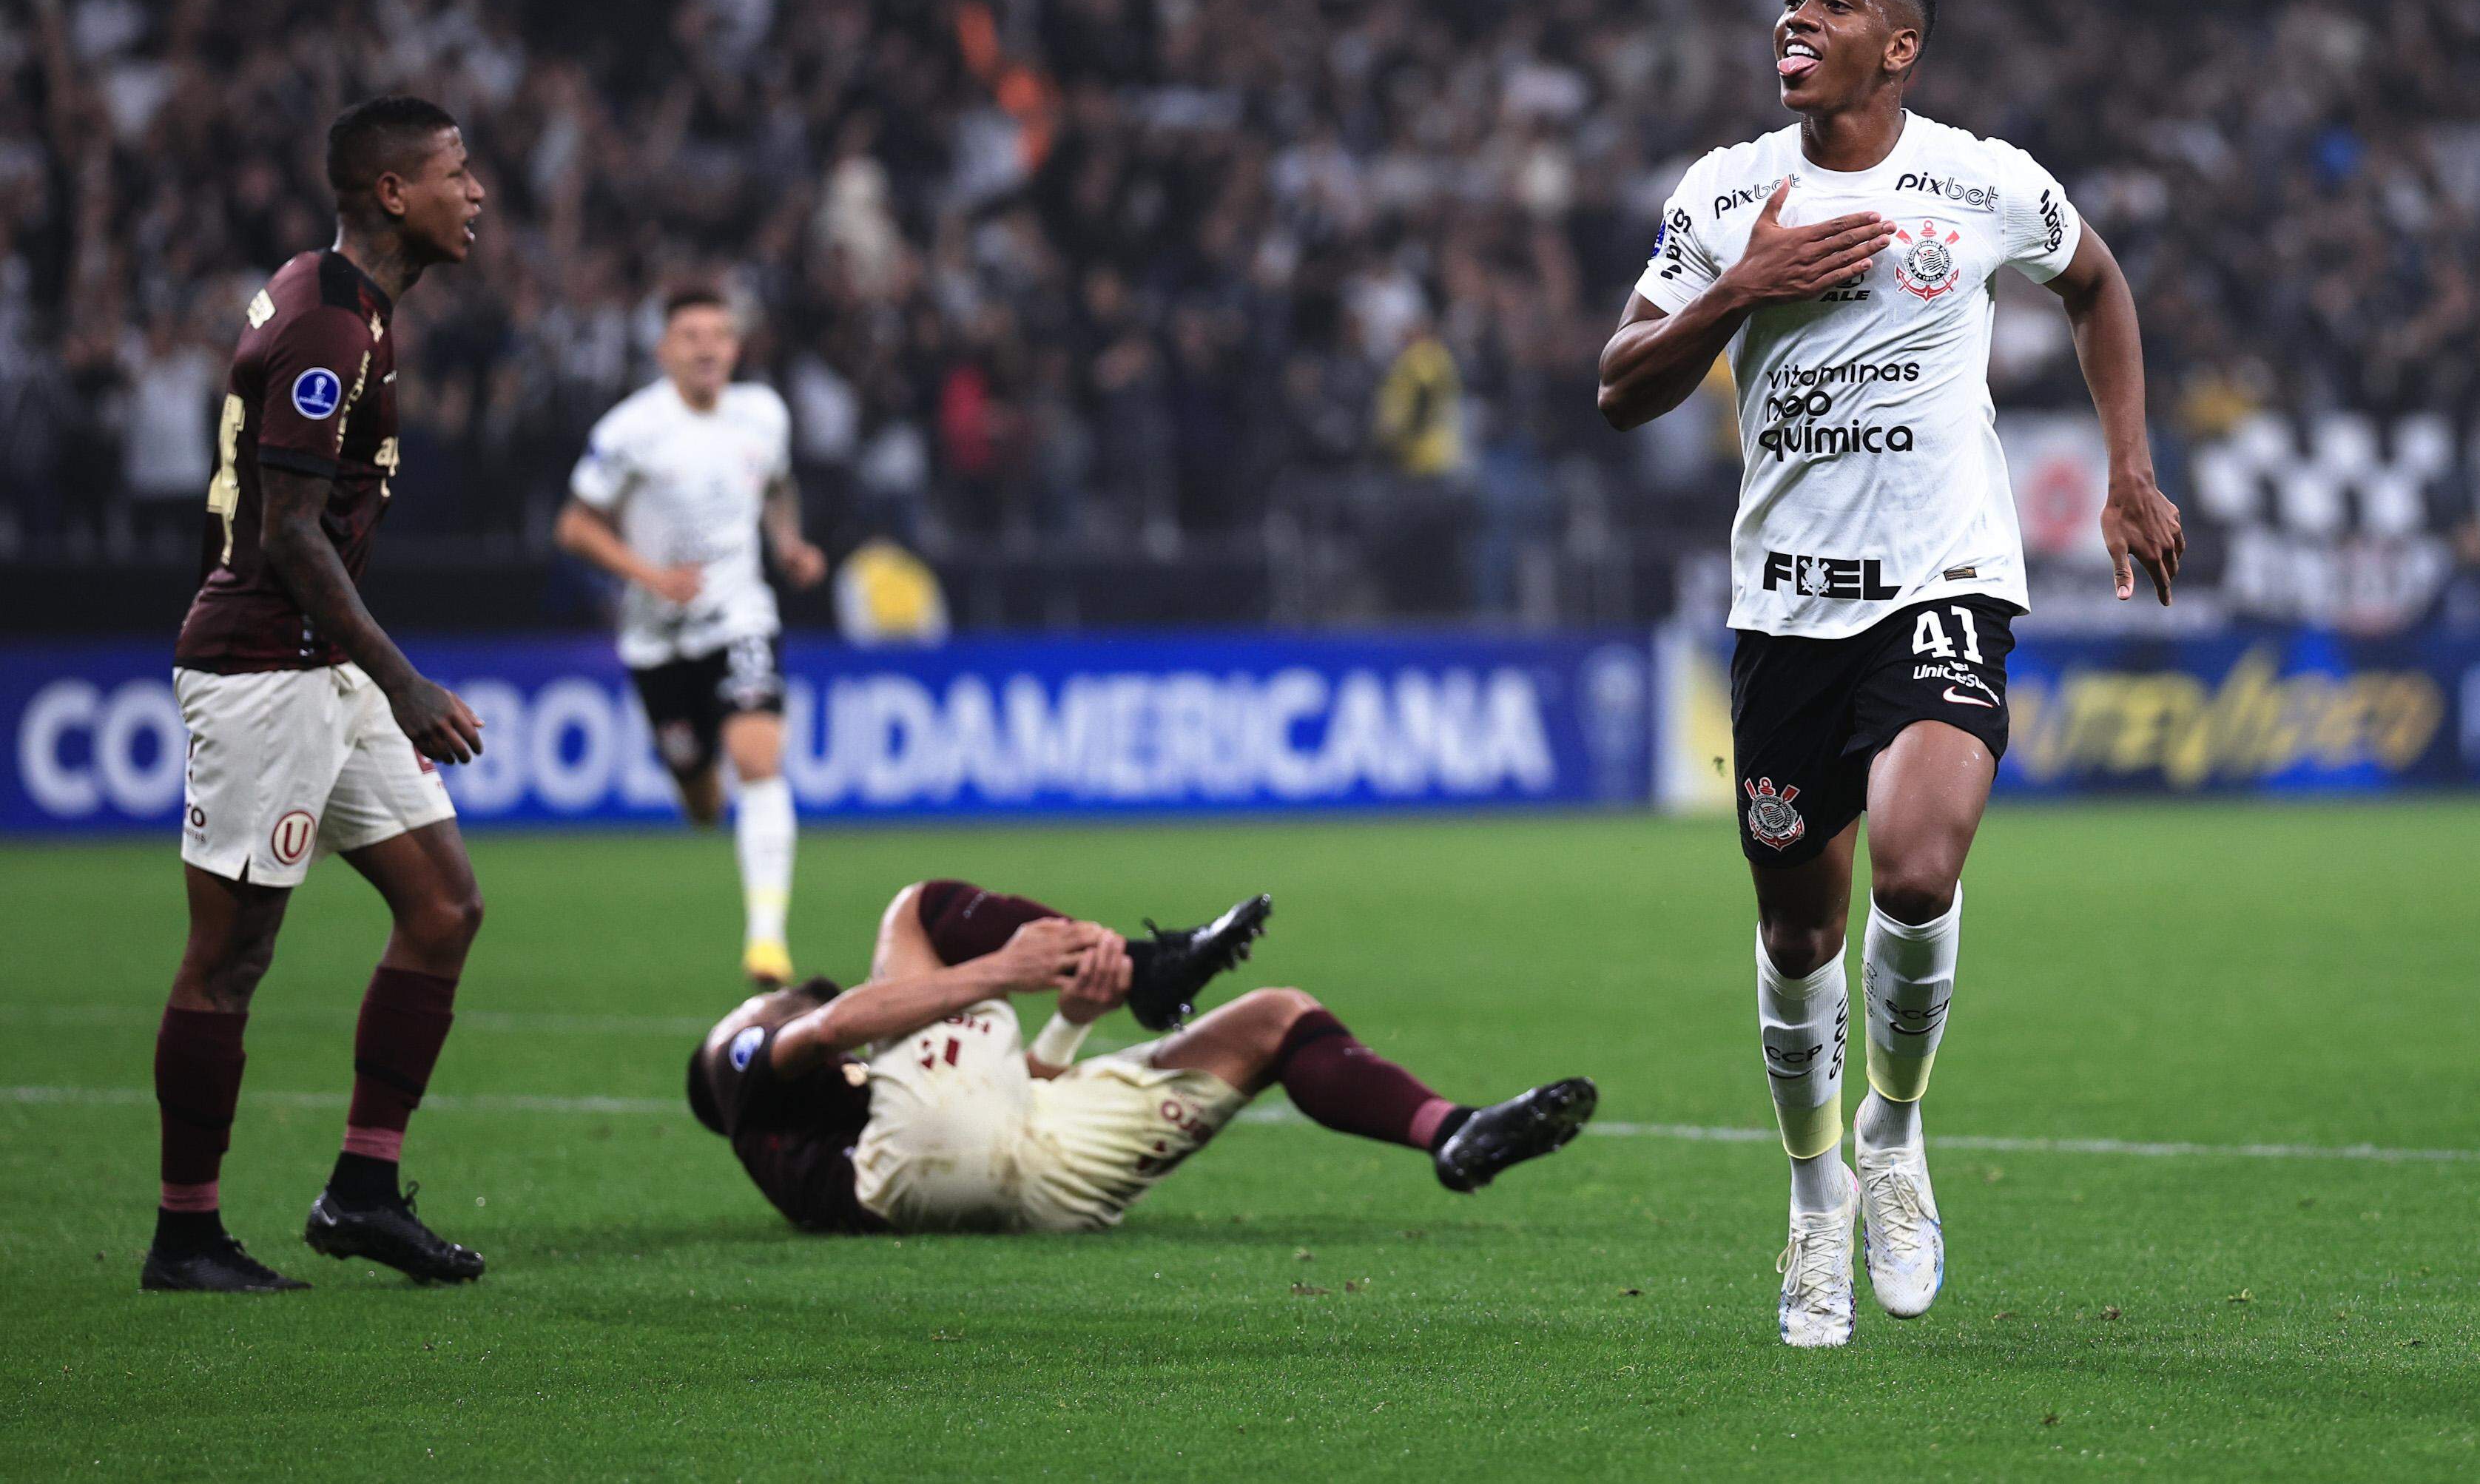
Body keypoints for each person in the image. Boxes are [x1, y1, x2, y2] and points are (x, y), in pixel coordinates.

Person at [1596, 0, 2185, 1347]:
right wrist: (1744, 286)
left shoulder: (1983, 180)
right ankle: (1814, 1202)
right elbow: (1620, 385)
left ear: (1898, 47)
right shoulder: (1727, 193)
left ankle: (1895, 1139)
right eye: (1791, 0)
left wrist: (2129, 470)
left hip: (1946, 577)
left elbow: (2096, 283)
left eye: (1831, 2)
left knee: (1918, 867)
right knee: (1800, 926)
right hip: (1786, 604)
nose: (1795, 17)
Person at [146, 96, 492, 1294]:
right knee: (231, 955)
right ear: (393, 192)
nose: (478, 190)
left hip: (319, 660)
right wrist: (404, 683)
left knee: (444, 905)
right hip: (261, 666)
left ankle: (362, 1190)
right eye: (456, 171)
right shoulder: (331, 328)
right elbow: (290, 533)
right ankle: (186, 1231)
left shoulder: (338, 299)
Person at [685, 882, 1591, 1235]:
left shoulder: (895, 1087)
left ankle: (1451, 1129)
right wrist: (1002, 968)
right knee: (917, 910)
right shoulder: (733, 1059)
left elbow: (989, 1121)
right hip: (896, 1181)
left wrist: (1071, 1022)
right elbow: (834, 1026)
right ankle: (1151, 967)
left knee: (1276, 1017)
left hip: (1022, 1178)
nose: (783, 990)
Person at [554, 289, 829, 985]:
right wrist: (648, 575)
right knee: (703, 801)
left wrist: (789, 543)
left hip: (741, 616)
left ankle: (766, 939)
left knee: (760, 757)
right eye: (692, 336)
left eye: (720, 335)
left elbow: (776, 486)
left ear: (736, 347)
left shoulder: (763, 415)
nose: (708, 348)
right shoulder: (631, 430)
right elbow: (575, 526)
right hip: (656, 641)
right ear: (664, 351)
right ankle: (697, 781)